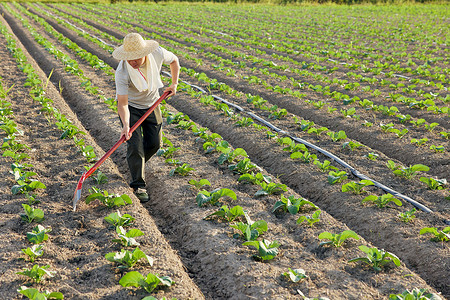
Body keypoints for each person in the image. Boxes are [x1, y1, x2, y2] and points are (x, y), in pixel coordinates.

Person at [112, 32, 180, 202]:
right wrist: (126, 125)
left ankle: (135, 164)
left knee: (155, 144)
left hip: (152, 104)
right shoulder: (122, 72)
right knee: (135, 146)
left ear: (144, 53)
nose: (133, 62)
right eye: (130, 58)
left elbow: (175, 61)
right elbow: (122, 104)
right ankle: (138, 185)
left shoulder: (157, 53)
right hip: (132, 107)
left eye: (136, 58)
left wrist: (174, 84)